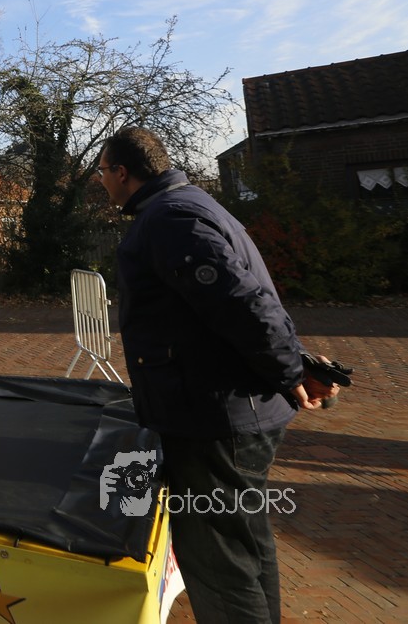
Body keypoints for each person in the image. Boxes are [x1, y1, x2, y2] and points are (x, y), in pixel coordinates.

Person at [98, 126, 340, 624]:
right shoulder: (190, 206)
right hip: (225, 410)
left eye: (102, 172)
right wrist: (289, 366)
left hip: (213, 420)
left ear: (122, 172)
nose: (101, 181)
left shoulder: (169, 218)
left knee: (218, 560)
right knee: (244, 542)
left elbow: (241, 302)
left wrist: (289, 368)